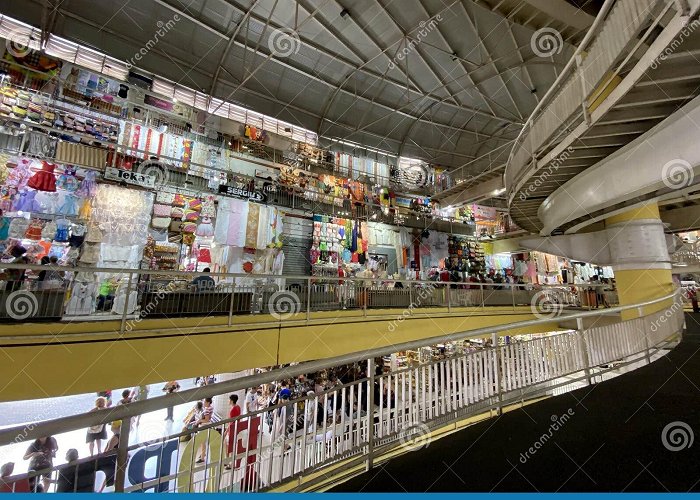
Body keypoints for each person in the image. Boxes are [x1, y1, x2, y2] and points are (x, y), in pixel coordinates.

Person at [195, 398, 219, 463]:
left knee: (202, 442)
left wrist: (199, 421)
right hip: (209, 426)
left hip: (205, 426)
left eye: (205, 402)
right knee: (203, 442)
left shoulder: (206, 410)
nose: (203, 403)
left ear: (208, 402)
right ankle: (203, 454)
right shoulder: (211, 407)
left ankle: (202, 458)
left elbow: (207, 420)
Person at [224, 394, 242, 469]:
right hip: (235, 429)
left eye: (229, 399)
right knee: (230, 446)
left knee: (229, 446)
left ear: (231, 400)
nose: (228, 401)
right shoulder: (238, 407)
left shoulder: (232, 410)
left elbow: (231, 423)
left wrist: (226, 432)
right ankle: (228, 461)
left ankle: (229, 463)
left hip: (231, 430)